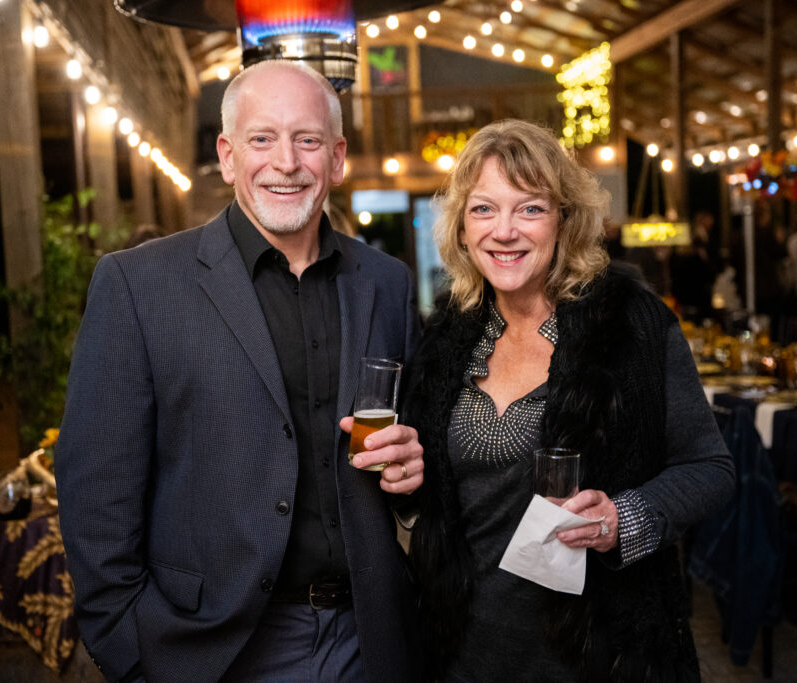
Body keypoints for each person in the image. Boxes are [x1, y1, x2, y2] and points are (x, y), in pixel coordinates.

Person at [56, 60, 424, 683]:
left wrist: (413, 477)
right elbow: (96, 496)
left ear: (336, 159)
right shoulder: (138, 286)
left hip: (368, 639)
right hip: (213, 647)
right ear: (228, 157)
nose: (285, 161)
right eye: (262, 139)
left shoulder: (387, 284)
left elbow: (416, 454)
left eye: (306, 140)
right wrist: (132, 653)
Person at [404, 120, 734, 681]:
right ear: (461, 228)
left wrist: (621, 520)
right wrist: (406, 480)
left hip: (603, 651)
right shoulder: (444, 342)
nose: (504, 231)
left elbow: (711, 468)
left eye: (529, 208)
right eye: (484, 209)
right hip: (464, 651)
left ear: (565, 219)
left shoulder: (632, 326)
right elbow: (428, 501)